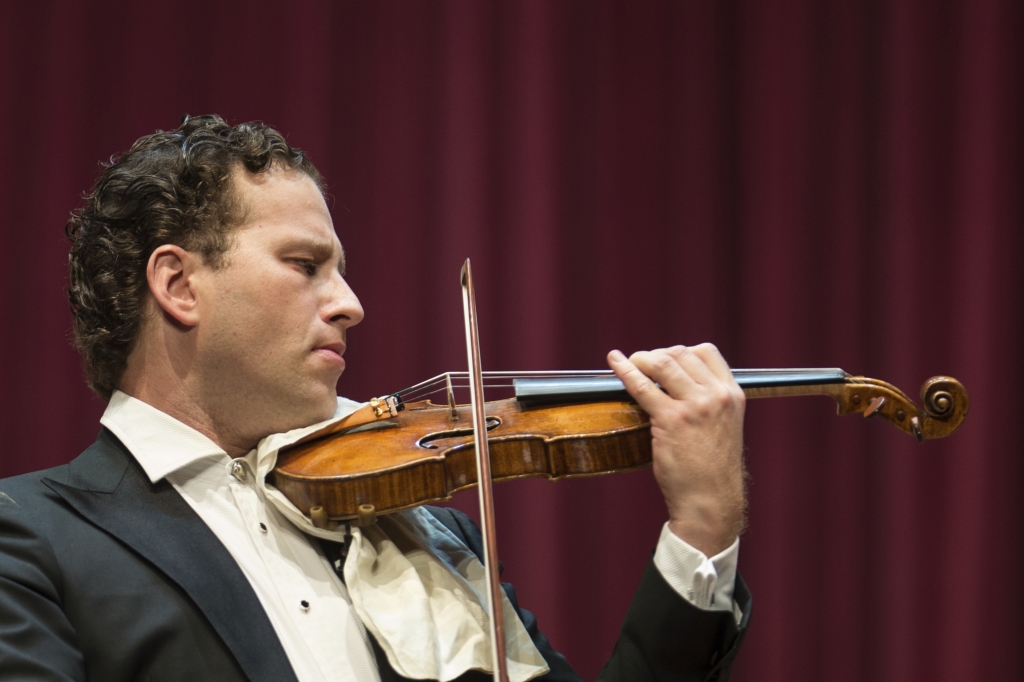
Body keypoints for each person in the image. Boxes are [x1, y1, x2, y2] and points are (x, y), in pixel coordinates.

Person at [0, 115, 751, 682]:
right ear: (179, 285)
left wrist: (703, 527)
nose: (351, 303)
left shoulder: (425, 535)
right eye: (305, 265)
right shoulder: (32, 540)